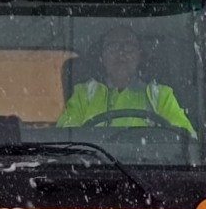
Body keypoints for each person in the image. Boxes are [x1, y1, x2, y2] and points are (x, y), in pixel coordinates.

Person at [57, 27, 196, 134]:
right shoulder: (84, 94)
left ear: (139, 56)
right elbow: (67, 138)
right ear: (102, 57)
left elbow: (185, 139)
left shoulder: (160, 95)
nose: (121, 53)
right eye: (113, 46)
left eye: (129, 46)